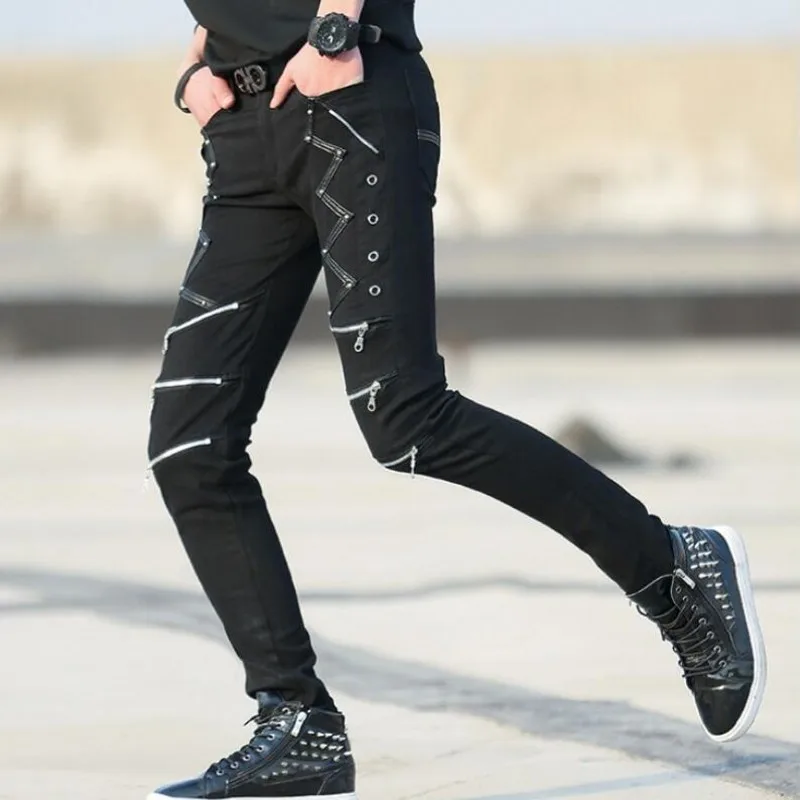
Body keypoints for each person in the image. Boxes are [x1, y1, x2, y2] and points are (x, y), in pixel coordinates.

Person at [146, 2, 767, 798]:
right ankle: (297, 722)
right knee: (189, 446)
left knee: (406, 416)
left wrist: (333, 30)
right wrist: (197, 64)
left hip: (347, 95)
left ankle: (672, 570)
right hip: (242, 123)